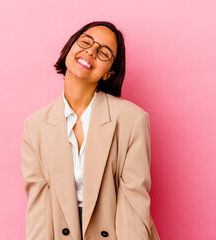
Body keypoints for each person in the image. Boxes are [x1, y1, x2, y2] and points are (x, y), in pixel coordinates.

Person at [21, 21, 160, 240]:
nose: (91, 50)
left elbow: (133, 204)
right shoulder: (35, 126)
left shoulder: (132, 119)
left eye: (104, 52)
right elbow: (39, 210)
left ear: (108, 74)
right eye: (85, 41)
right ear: (69, 49)